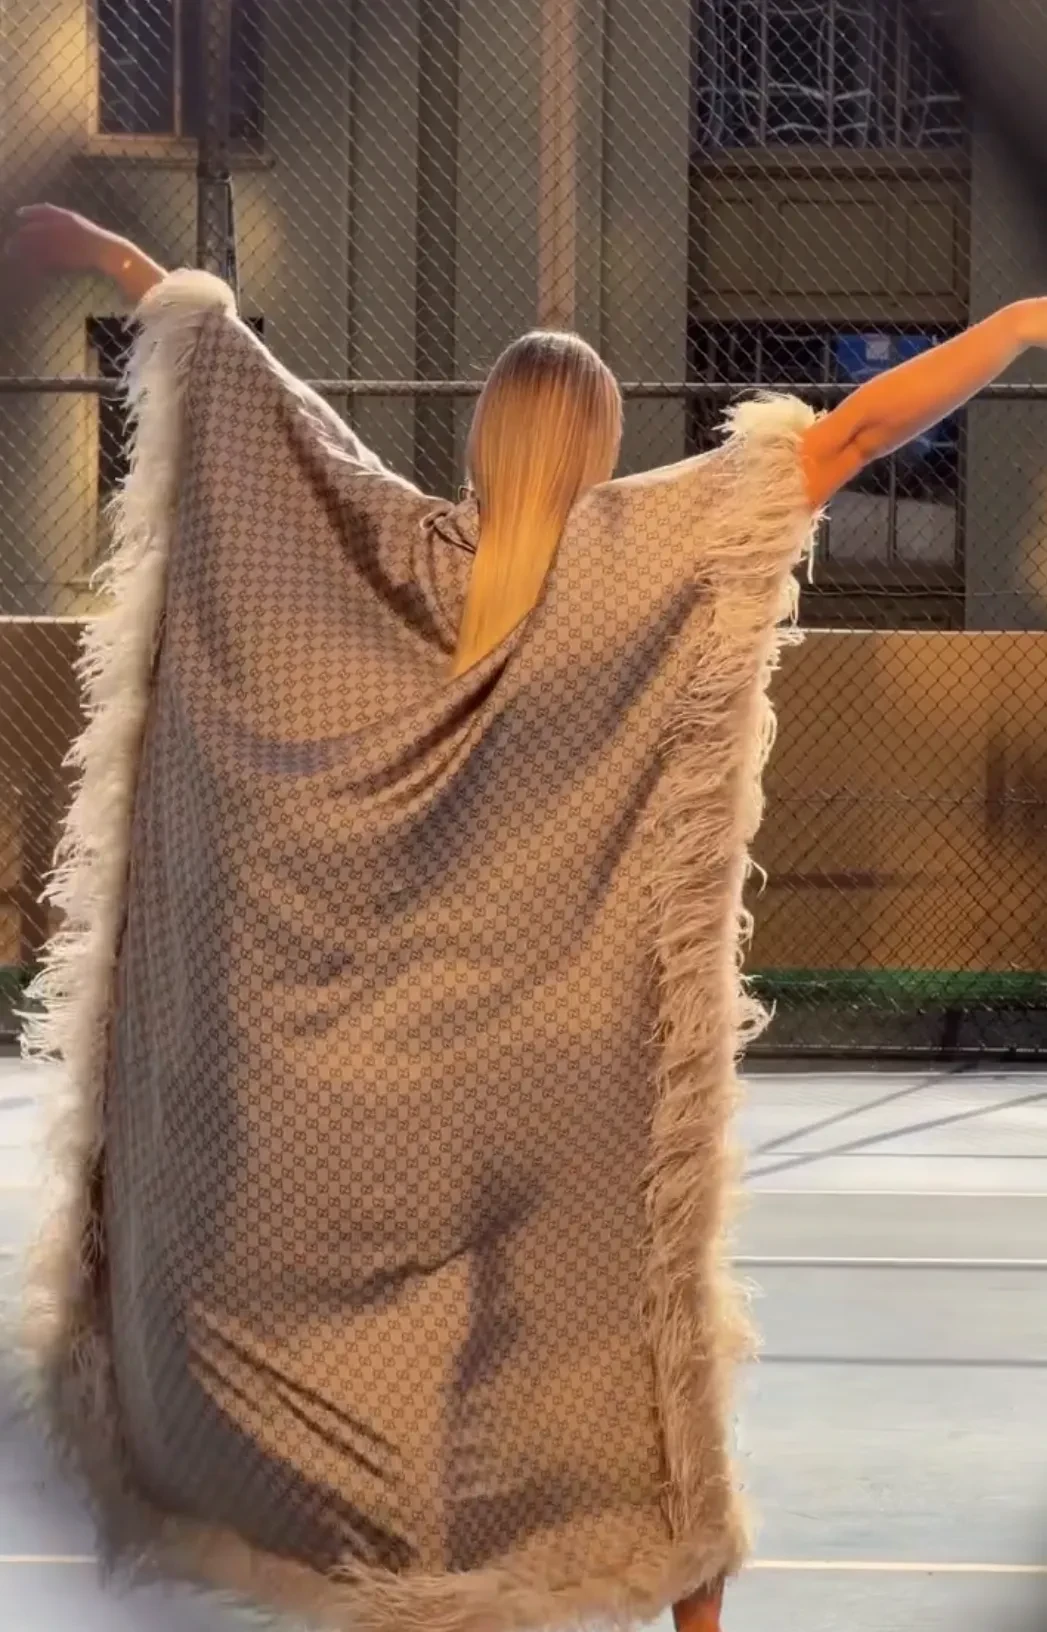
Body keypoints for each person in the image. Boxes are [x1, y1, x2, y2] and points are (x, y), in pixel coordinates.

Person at [7, 204, 1047, 1632]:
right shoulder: (647, 549)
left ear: (487, 439)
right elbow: (859, 432)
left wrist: (109, 254)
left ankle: (396, 1582)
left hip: (366, 1091)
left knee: (385, 1371)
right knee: (628, 1340)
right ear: (600, 443)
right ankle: (689, 1612)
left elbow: (240, 387)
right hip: (559, 1080)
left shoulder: (381, 546)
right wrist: (1021, 322)